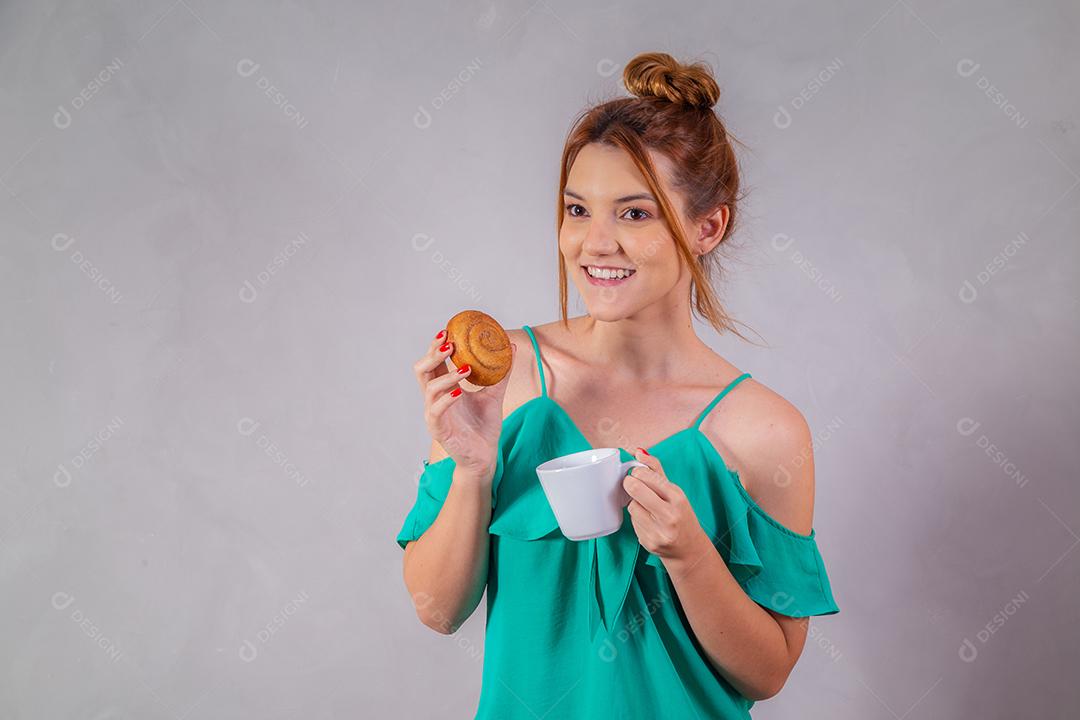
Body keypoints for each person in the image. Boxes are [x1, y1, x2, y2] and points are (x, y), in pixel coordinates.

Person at [398, 51, 839, 719]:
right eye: (578, 210)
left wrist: (689, 554)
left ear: (707, 226)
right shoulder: (505, 379)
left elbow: (767, 673)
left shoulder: (765, 431)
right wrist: (471, 471)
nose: (593, 243)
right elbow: (436, 610)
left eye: (634, 214)